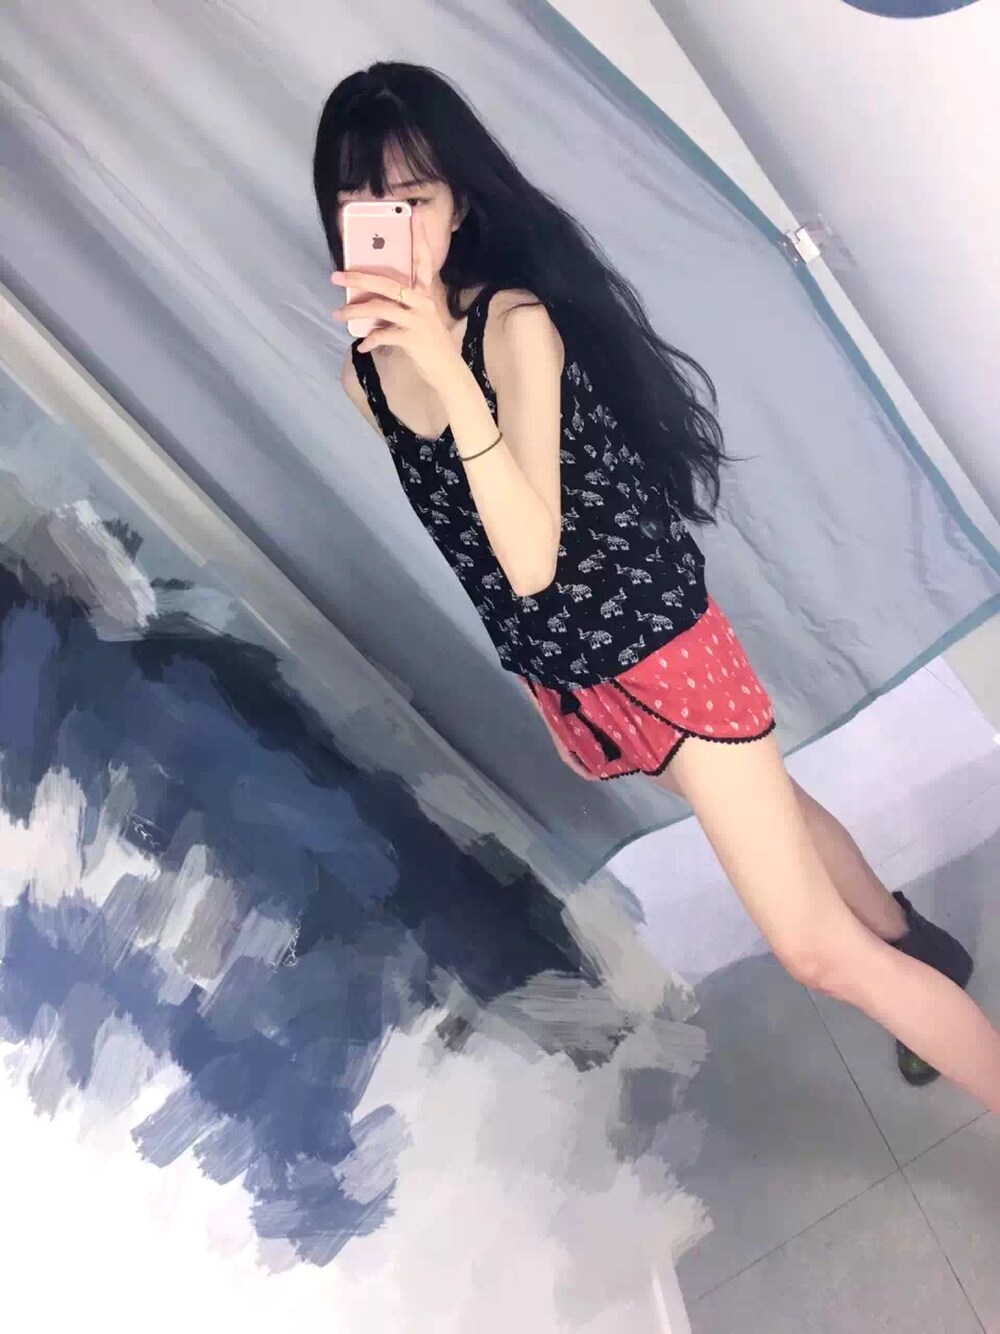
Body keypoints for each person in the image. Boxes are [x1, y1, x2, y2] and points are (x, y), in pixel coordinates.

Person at [312, 61, 999, 1110]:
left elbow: (530, 554)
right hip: (580, 677)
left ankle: (920, 981)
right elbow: (476, 558)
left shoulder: (513, 325)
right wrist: (549, 687)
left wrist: (450, 373)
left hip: (664, 651)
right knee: (782, 810)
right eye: (362, 200)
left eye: (414, 197)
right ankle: (919, 948)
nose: (390, 224)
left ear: (458, 209)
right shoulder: (364, 375)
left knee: (815, 951)